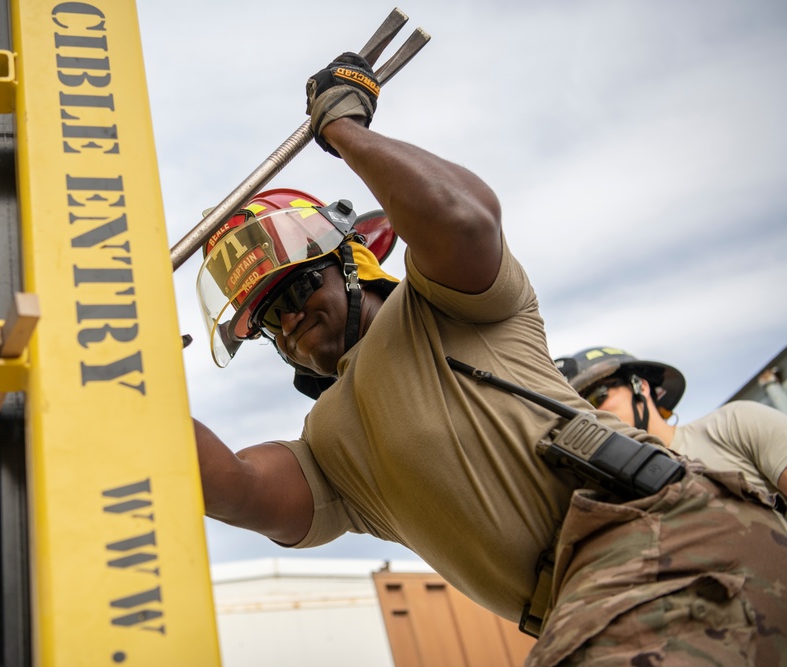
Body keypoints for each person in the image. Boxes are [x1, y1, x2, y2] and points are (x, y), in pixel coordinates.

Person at [191, 52, 787, 664]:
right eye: (265, 320)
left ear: (352, 265)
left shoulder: (444, 304)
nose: (287, 322)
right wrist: (129, 380)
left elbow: (464, 220)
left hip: (660, 538)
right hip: (592, 598)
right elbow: (236, 485)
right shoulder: (330, 452)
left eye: (293, 291)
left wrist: (344, 130)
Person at [556, 346, 787, 501]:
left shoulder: (734, 424)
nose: (592, 414)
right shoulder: (603, 496)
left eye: (598, 396)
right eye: (579, 410)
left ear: (640, 386)